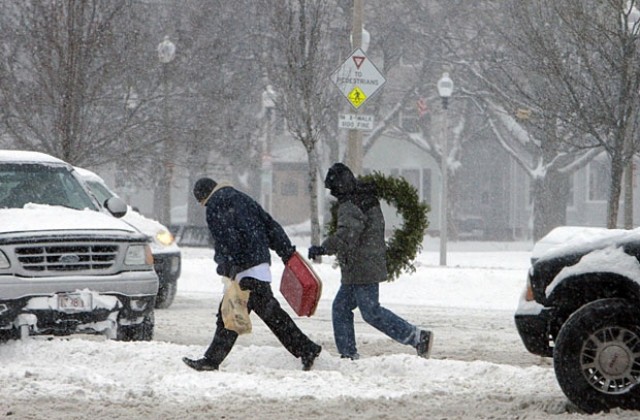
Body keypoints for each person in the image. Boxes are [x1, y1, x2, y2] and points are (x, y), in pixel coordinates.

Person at [182, 177, 322, 371]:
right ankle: (211, 360)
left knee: (253, 313)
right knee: (236, 313)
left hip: (243, 269)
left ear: (203, 197)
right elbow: (270, 225)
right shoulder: (243, 198)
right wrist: (286, 251)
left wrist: (228, 265)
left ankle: (306, 348)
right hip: (259, 264)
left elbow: (226, 239)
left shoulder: (215, 205)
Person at [308, 163, 432, 360]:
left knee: (371, 312)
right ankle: (348, 354)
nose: (333, 193)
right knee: (341, 308)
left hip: (361, 266)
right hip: (362, 264)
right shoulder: (365, 197)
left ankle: (416, 337)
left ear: (340, 186)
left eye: (333, 188)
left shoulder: (350, 204)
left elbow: (346, 235)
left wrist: (323, 248)